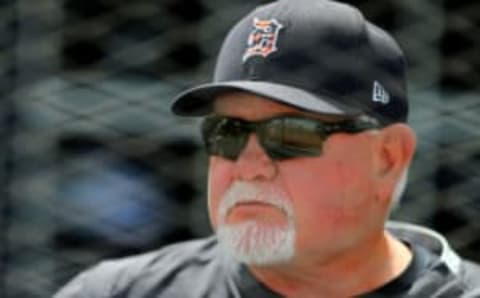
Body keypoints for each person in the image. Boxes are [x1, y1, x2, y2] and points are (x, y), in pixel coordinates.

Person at [55, 0, 480, 297]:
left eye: (291, 136)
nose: (249, 166)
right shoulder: (120, 292)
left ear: (388, 157)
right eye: (227, 132)